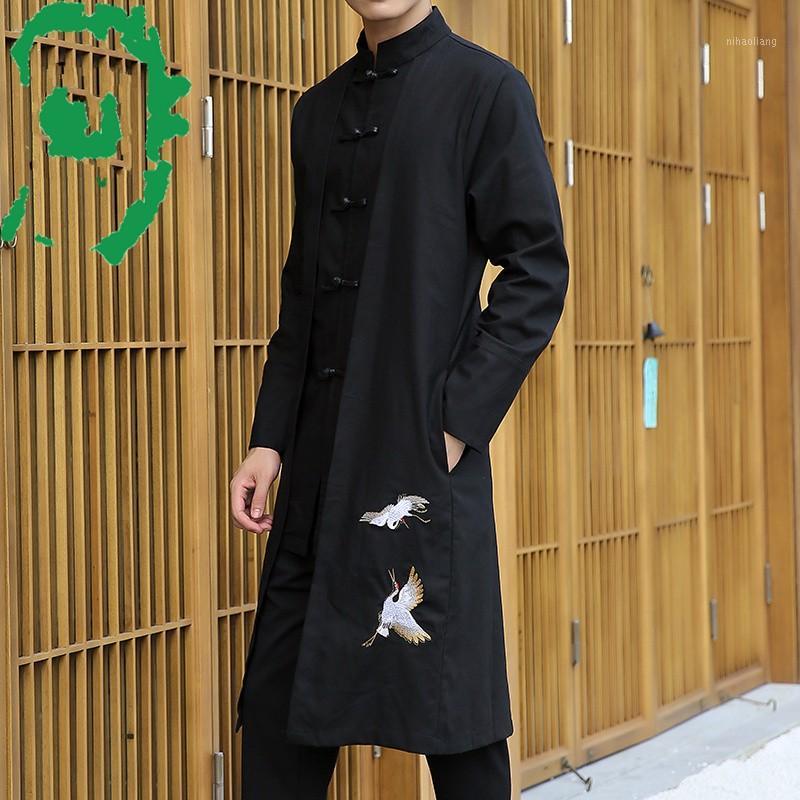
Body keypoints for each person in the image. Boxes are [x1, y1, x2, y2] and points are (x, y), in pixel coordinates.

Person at [229, 1, 569, 797]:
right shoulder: (316, 112)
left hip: (417, 462)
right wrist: (269, 440)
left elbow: (538, 272)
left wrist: (452, 424)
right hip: (316, 469)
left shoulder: (486, 90)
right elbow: (303, 297)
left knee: (455, 721)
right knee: (280, 712)